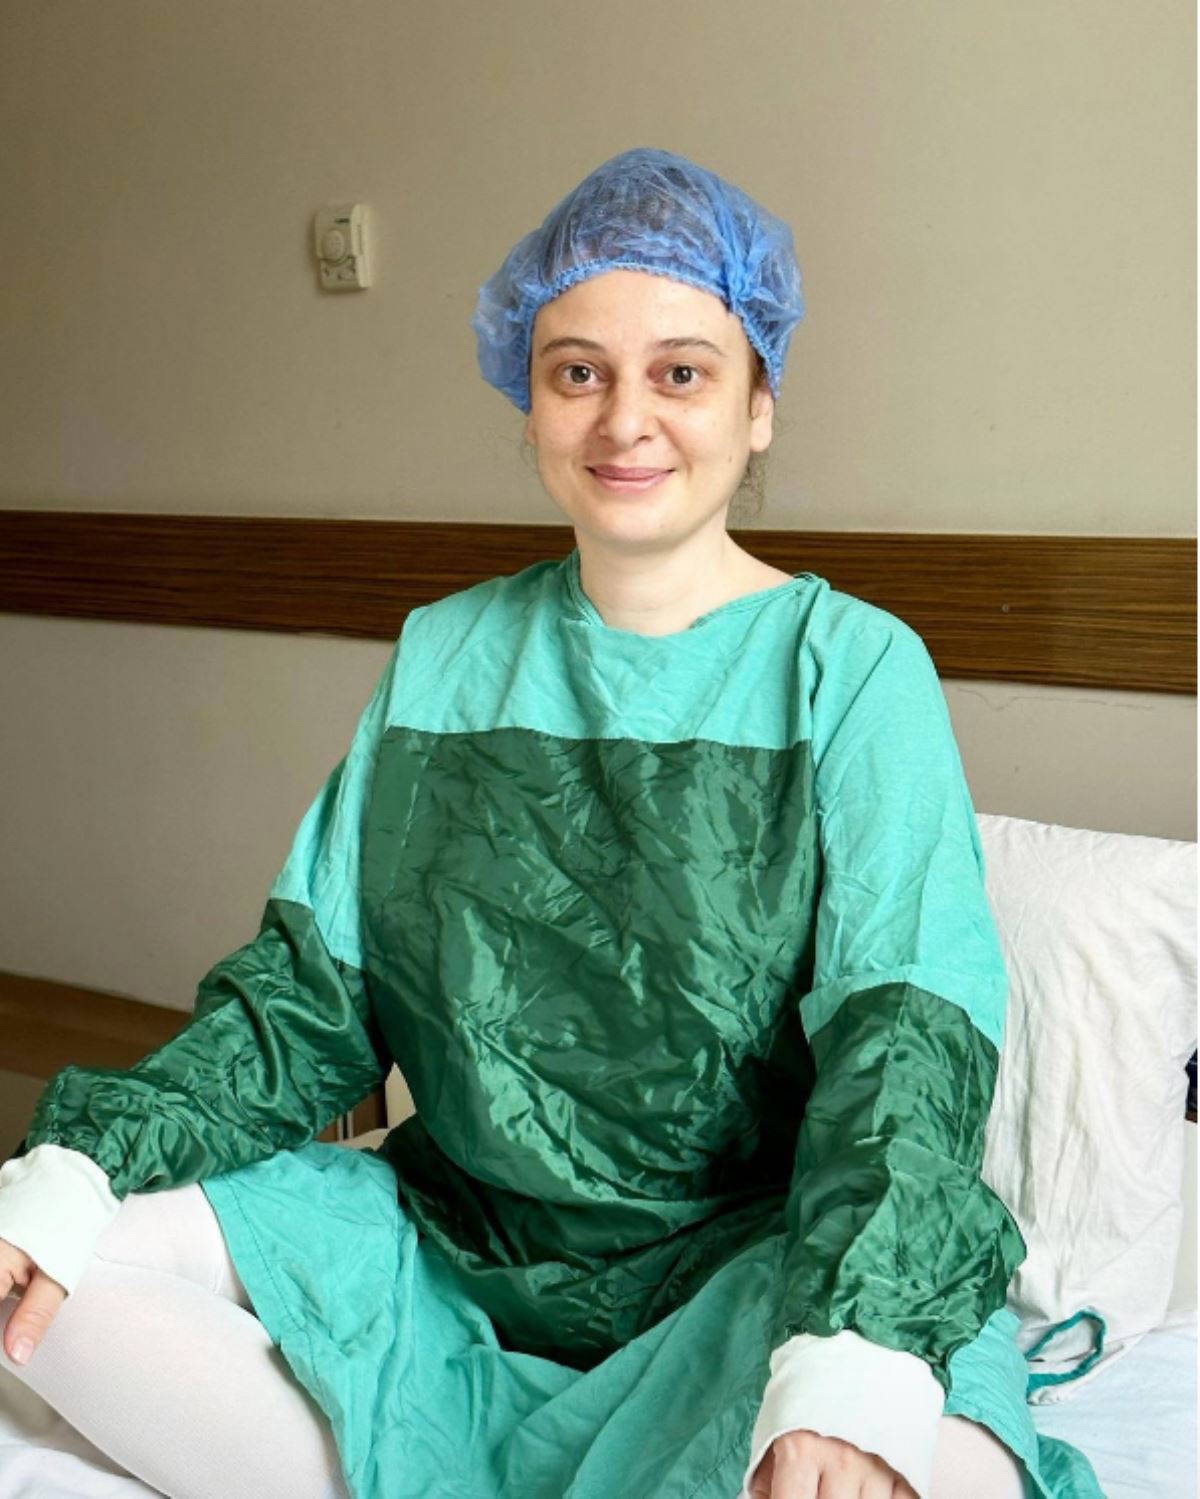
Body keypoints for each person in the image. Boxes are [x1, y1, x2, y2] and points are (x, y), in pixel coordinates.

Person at [0, 147, 1105, 1499]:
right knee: (44, 1282)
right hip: (451, 1254)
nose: (625, 420)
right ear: (526, 405)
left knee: (945, 1462)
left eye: (681, 372)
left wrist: (852, 1355)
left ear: (759, 404)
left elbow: (905, 1043)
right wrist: (85, 1163)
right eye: (578, 372)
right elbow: (303, 1005)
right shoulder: (445, 655)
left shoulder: (852, 669)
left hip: (750, 1273)